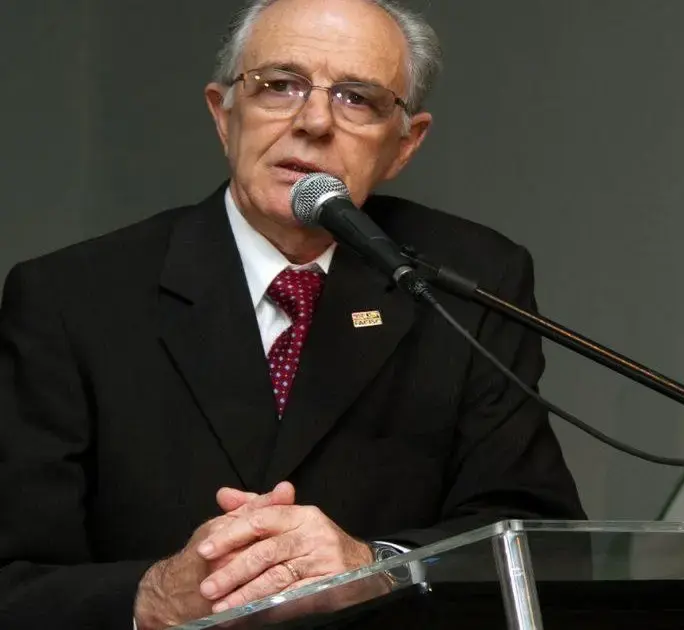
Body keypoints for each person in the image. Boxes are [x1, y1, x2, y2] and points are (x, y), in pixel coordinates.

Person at [0, 0, 586, 627]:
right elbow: (14, 578)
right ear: (223, 114)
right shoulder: (71, 297)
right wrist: (152, 598)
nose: (314, 121)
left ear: (404, 145)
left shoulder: (470, 279)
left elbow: (539, 540)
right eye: (280, 85)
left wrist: (379, 567)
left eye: (357, 98)